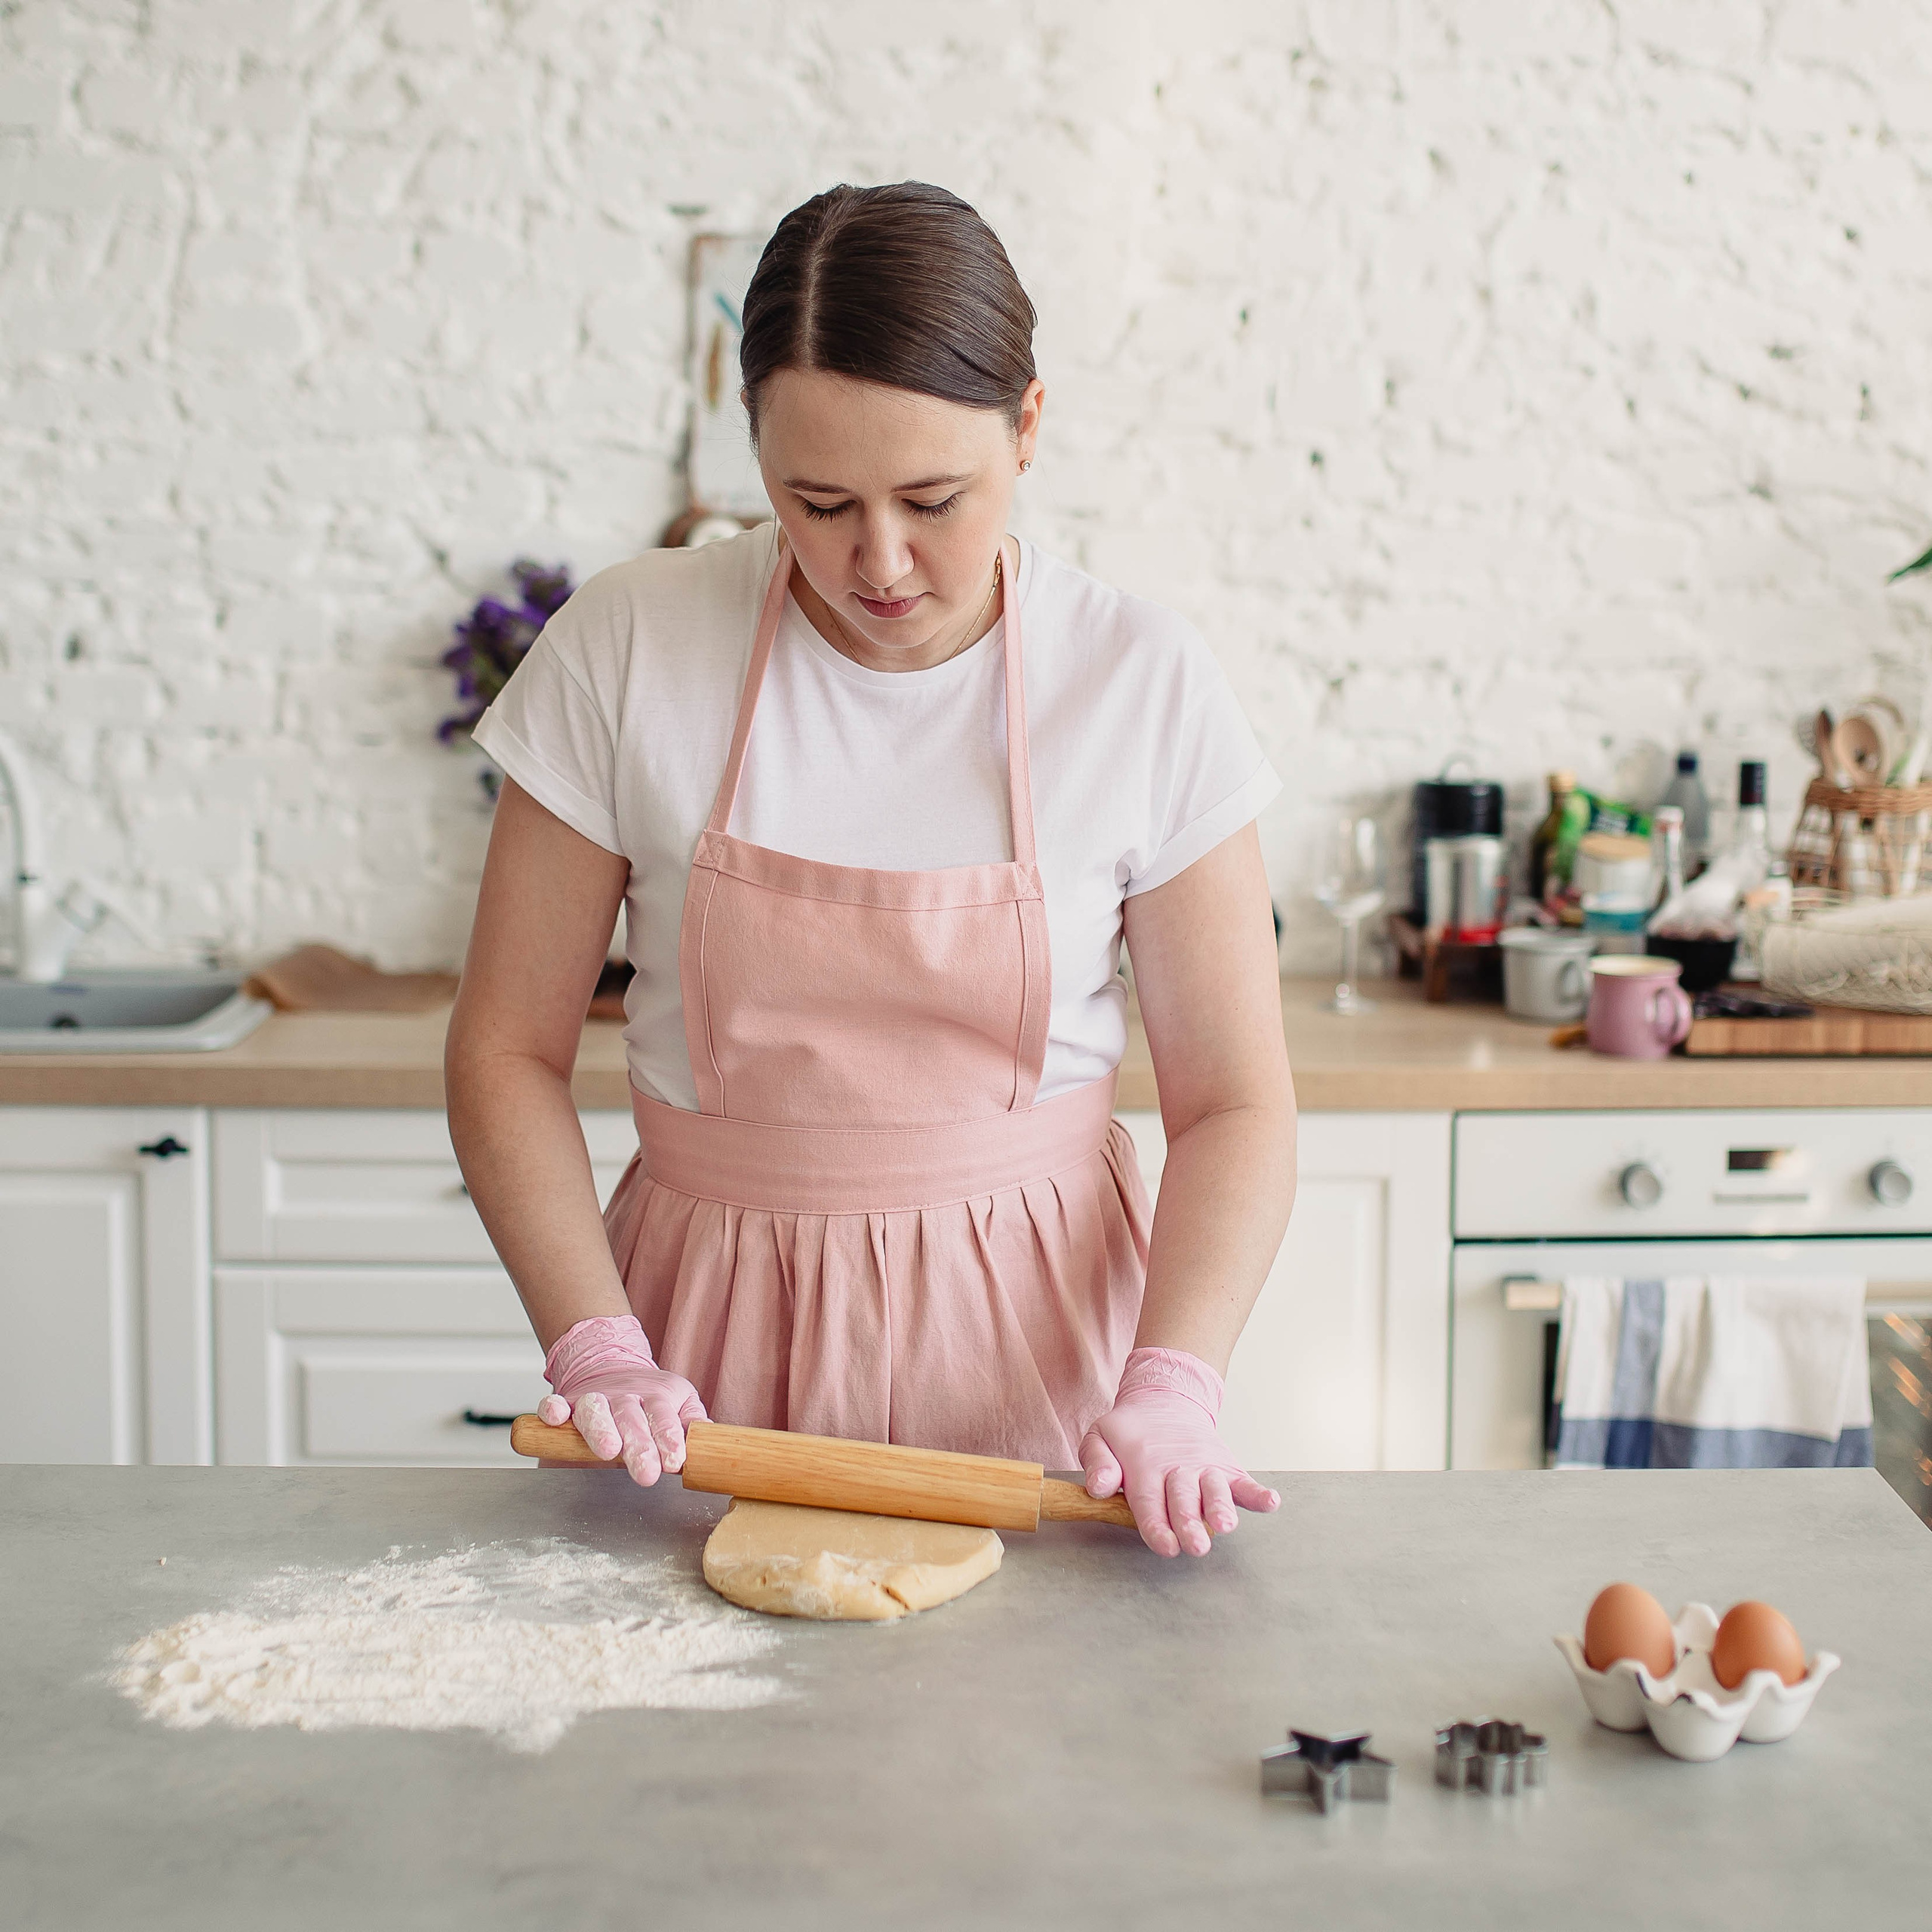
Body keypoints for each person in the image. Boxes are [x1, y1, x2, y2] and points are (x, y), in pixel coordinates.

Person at [446, 182, 1297, 1559]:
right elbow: (503, 1051)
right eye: (818, 500)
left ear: (1029, 426)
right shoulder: (626, 644)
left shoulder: (1141, 679)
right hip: (698, 1370)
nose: (878, 561)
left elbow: (1236, 1102)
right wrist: (599, 1346)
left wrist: (1175, 1387)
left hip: (1047, 1370)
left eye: (934, 499)